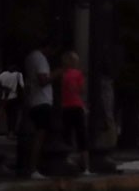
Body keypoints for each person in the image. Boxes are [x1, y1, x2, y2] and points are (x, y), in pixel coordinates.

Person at [18, 41, 54, 177]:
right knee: (39, 136)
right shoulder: (40, 58)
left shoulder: (30, 57)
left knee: (34, 135)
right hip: (42, 101)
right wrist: (58, 73)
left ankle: (29, 166)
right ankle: (33, 168)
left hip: (33, 100)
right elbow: (43, 80)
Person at [57, 51, 87, 166]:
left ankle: (68, 158)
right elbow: (82, 90)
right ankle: (84, 163)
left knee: (67, 132)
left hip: (65, 106)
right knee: (81, 133)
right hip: (76, 105)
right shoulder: (78, 74)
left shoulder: (61, 73)